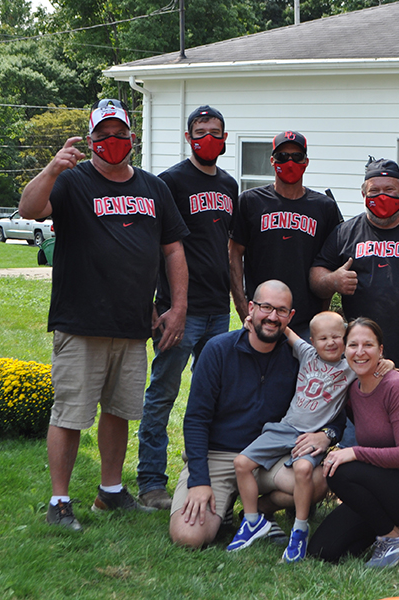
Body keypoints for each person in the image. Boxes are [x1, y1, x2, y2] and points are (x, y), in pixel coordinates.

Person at [19, 98, 189, 531]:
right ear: (91, 139)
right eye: (103, 135)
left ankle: (110, 491)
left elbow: (172, 249)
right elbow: (29, 209)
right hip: (81, 320)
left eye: (119, 134)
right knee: (71, 413)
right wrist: (53, 168)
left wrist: (178, 307)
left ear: (132, 137)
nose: (112, 142)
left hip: (133, 324)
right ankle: (60, 500)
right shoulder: (73, 182)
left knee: (119, 410)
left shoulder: (154, 188)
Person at [170, 280, 343, 549]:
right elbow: (195, 419)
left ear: (290, 317)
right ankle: (222, 503)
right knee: (188, 537)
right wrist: (200, 481)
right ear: (251, 308)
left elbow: (334, 408)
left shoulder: (300, 359)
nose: (273, 317)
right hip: (217, 454)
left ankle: (256, 514)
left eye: (281, 311)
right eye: (266, 307)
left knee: (316, 483)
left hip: (270, 456)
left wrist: (327, 435)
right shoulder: (218, 350)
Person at [228, 312, 393, 562]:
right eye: (323, 338)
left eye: (337, 337)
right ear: (313, 341)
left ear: (345, 338)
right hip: (284, 427)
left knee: (304, 469)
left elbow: (374, 362)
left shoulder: (349, 366)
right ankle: (252, 521)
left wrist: (387, 363)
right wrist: (257, 316)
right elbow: (287, 331)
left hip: (311, 435)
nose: (330, 342)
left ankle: (299, 529)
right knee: (241, 463)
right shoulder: (306, 354)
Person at [137, 105, 239, 511]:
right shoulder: (170, 183)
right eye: (200, 131)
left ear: (225, 139)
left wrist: (240, 303)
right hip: (179, 312)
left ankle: (201, 474)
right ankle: (150, 482)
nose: (208, 138)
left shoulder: (230, 186)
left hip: (218, 311)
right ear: (188, 137)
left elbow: (230, 252)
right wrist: (155, 305)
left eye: (216, 131)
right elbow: (151, 248)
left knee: (215, 398)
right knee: (162, 394)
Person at [310, 157, 399, 430]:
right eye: (374, 191)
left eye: (389, 190)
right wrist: (334, 280)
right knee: (360, 437)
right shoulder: (346, 232)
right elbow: (316, 275)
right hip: (360, 363)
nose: (382, 196)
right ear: (363, 194)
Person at [308, 318, 399, 568]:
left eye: (368, 345)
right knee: (323, 551)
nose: (360, 352)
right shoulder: (352, 389)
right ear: (344, 350)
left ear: (381, 350)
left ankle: (394, 538)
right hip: (384, 485)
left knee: (340, 469)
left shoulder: (398, 387)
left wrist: (354, 453)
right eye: (353, 345)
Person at [230, 131, 342, 339]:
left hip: (306, 321)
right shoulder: (250, 201)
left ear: (306, 162)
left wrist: (321, 316)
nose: (290, 162)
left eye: (296, 157)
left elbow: (329, 264)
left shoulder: (324, 208)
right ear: (272, 161)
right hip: (262, 318)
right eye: (282, 157)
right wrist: (243, 308)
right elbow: (234, 254)